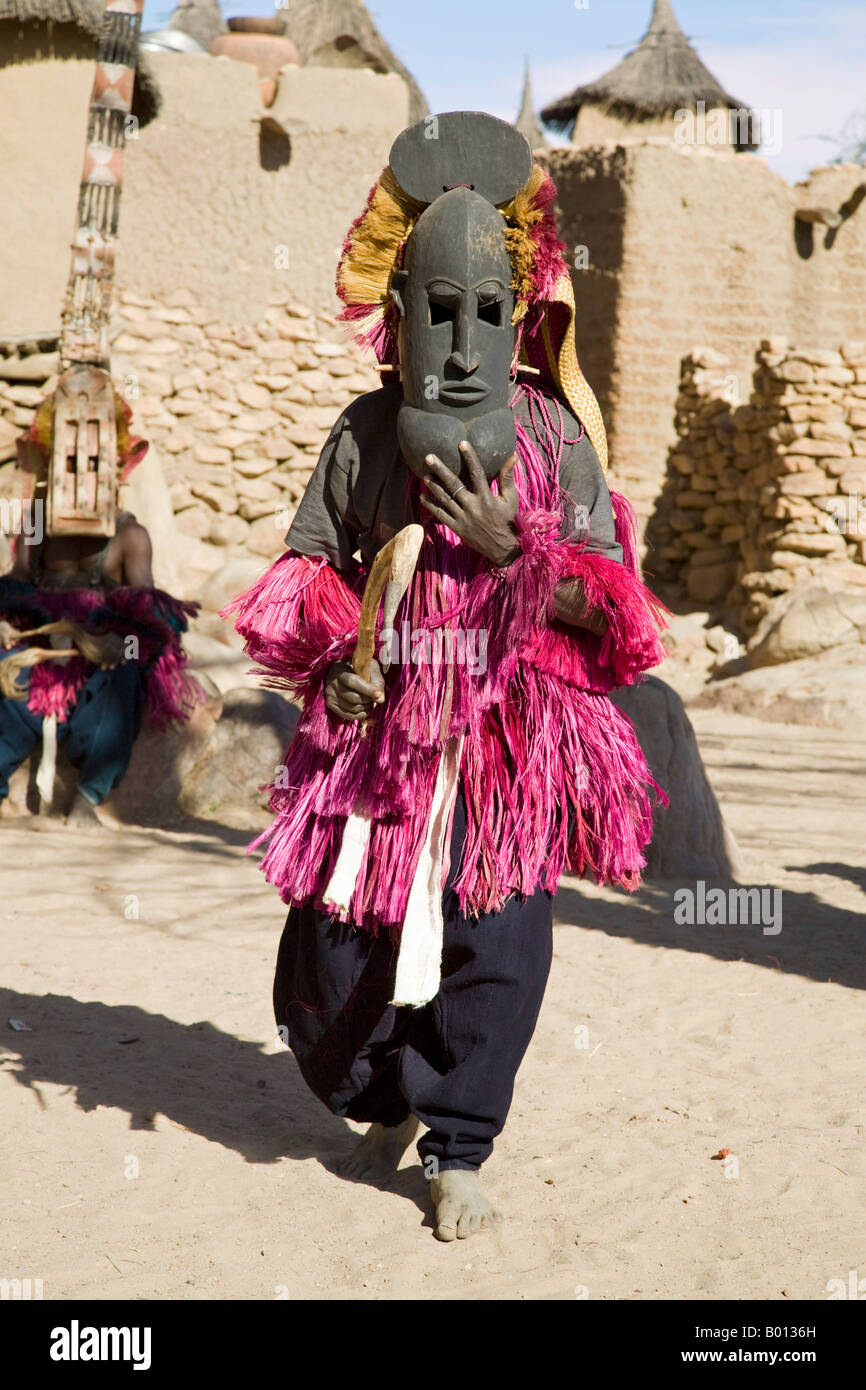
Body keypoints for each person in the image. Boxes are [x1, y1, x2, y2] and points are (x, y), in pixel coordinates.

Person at [226, 113, 667, 1241]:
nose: (465, 345)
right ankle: (379, 1096)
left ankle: (458, 1144)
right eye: (438, 310)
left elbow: (616, 615)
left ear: (518, 315)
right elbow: (305, 578)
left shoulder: (551, 439)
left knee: (497, 944)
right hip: (378, 741)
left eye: (488, 313)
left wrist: (523, 556)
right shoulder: (362, 438)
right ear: (396, 314)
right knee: (323, 957)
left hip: (509, 740)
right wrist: (337, 670)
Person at [0, 370, 201, 824]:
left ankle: (90, 794)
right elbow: (15, 582)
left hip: (99, 651)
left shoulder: (131, 534)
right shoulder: (36, 520)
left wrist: (118, 641)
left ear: (114, 464)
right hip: (39, 647)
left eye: (93, 461)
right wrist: (11, 625)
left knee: (126, 675)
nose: (80, 470)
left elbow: (150, 616)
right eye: (69, 460)